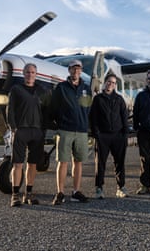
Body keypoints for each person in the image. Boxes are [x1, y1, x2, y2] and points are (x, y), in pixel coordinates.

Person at [50, 59, 92, 204]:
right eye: (73, 68)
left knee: (78, 162)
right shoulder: (61, 87)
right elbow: (53, 107)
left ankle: (75, 192)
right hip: (65, 130)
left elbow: (88, 109)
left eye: (79, 68)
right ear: (69, 70)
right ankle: (60, 192)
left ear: (81, 70)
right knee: (63, 162)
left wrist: (87, 125)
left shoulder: (86, 88)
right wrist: (58, 123)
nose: (76, 71)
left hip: (81, 130)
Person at [7, 63, 49, 207]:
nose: (30, 74)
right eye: (28, 72)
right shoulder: (16, 90)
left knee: (33, 164)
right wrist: (13, 128)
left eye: (32, 72)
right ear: (23, 73)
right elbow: (10, 109)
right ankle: (15, 195)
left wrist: (44, 129)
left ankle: (29, 194)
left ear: (36, 74)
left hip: (37, 131)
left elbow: (46, 110)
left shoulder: (41, 91)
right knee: (18, 164)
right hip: (21, 130)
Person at [89, 73, 129, 199]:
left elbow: (124, 117)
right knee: (100, 163)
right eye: (108, 81)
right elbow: (93, 117)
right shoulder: (98, 99)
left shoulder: (119, 99)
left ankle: (121, 187)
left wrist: (124, 134)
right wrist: (96, 133)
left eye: (113, 82)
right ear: (104, 83)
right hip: (103, 136)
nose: (110, 84)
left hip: (118, 136)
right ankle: (99, 188)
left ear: (115, 85)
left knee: (119, 163)